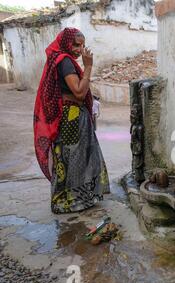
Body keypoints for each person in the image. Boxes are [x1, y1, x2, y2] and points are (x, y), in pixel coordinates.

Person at [33, 27, 110, 214]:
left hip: (71, 116)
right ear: (66, 43)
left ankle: (76, 199)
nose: (79, 49)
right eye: (76, 45)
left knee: (71, 158)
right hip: (72, 118)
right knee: (73, 159)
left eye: (82, 45)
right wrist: (89, 66)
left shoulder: (61, 59)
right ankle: (69, 202)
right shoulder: (65, 61)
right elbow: (79, 91)